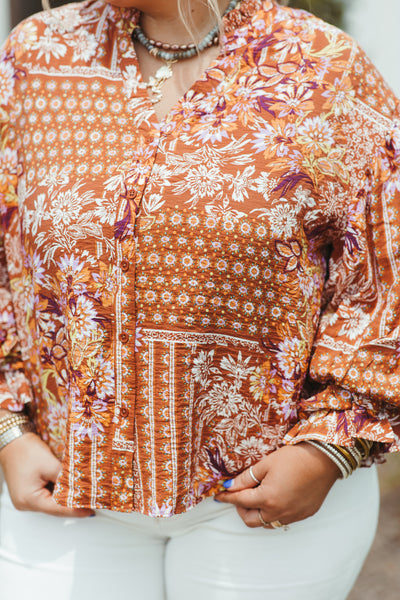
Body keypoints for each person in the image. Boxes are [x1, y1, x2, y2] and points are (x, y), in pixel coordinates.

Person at [0, 0, 399, 598]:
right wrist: (8, 425)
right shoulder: (36, 58)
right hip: (67, 493)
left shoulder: (323, 67)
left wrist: (331, 445)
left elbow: (382, 268)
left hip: (261, 502)